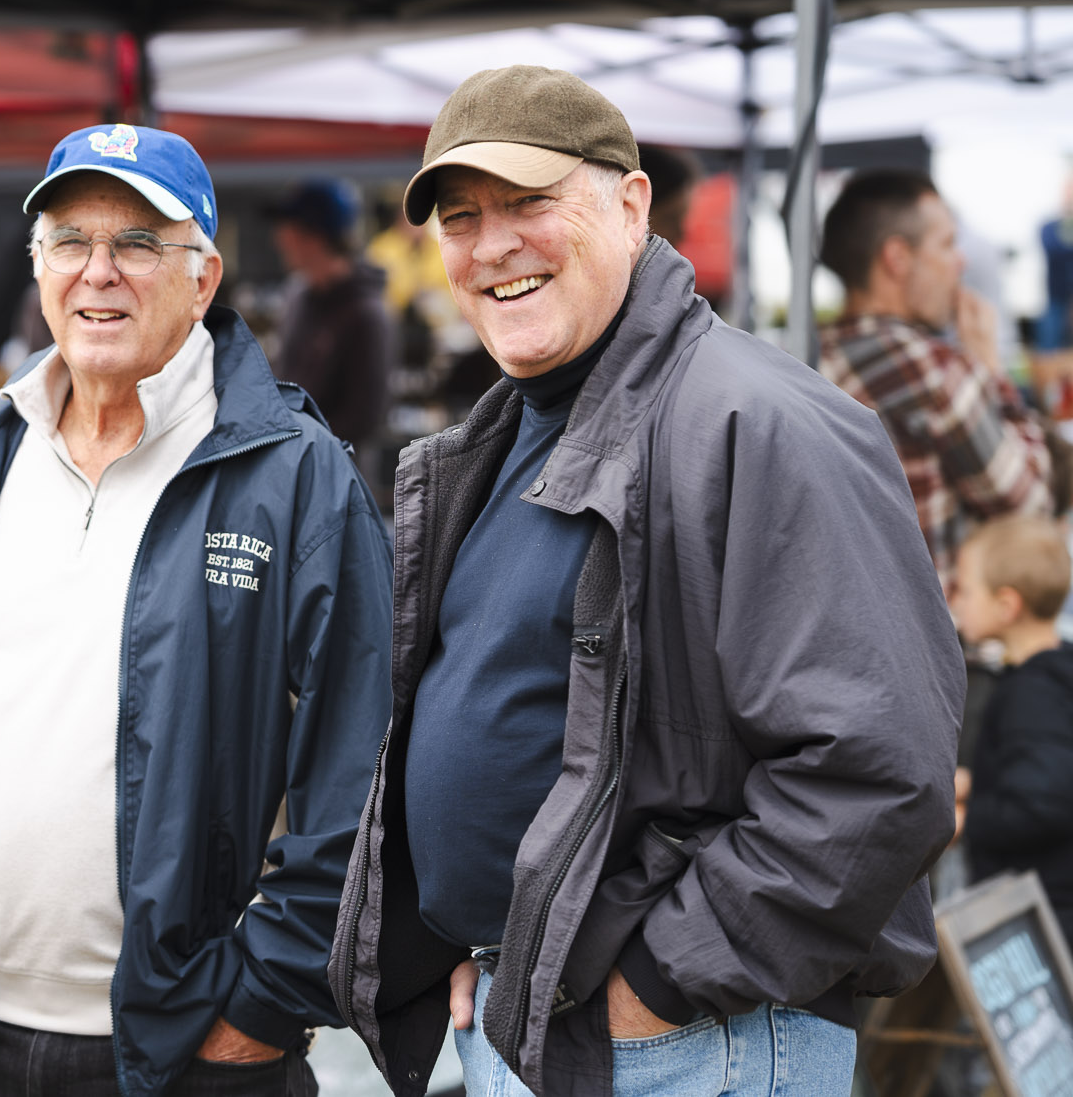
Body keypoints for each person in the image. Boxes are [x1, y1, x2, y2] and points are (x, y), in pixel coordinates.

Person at [329, 66, 963, 1097]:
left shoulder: (757, 421)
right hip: (544, 1022)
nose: (492, 245)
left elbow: (876, 774)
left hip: (688, 1041)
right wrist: (485, 943)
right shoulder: (504, 436)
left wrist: (655, 983)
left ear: (631, 207)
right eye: (460, 217)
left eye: (528, 201)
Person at [0, 123, 394, 1097]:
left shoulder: (292, 476)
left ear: (202, 279)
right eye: (70, 241)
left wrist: (259, 1007)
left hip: (186, 1055)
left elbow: (363, 772)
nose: (97, 271)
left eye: (138, 242)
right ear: (40, 267)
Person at [817, 168, 1053, 583]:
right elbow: (1031, 504)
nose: (960, 261)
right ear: (897, 258)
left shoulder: (808, 356)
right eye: (946, 244)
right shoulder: (929, 366)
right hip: (935, 614)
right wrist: (991, 370)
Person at [949, 515, 1073, 946]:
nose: (956, 600)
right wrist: (972, 782)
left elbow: (1040, 803)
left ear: (1007, 605)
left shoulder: (1031, 693)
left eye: (965, 589)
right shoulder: (1056, 670)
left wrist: (963, 821)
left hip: (1046, 918)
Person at [266, 177, 395, 475]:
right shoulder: (297, 296)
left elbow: (365, 417)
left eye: (288, 228)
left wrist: (300, 445)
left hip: (338, 477)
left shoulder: (367, 314)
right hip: (288, 468)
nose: (279, 239)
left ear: (314, 236)